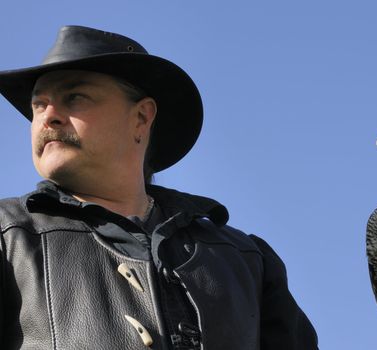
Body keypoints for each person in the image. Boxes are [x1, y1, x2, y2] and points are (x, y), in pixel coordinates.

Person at [0, 25, 318, 350]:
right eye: (38, 105)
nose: (47, 117)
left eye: (75, 97)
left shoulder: (247, 260)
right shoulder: (8, 236)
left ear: (141, 117)